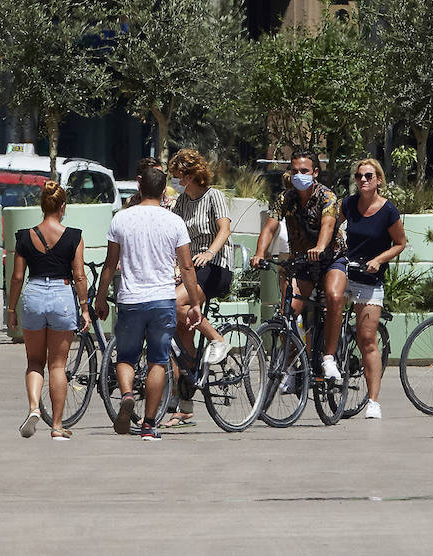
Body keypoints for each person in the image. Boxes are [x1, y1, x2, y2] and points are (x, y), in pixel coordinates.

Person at [94, 166, 202, 440]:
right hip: (162, 300)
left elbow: (110, 264)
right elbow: (187, 267)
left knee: (126, 357)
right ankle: (149, 425)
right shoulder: (174, 222)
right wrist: (195, 303)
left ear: (140, 188)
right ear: (163, 190)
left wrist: (100, 296)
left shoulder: (121, 219)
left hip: (130, 299)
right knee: (157, 360)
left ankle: (128, 394)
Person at [5, 180, 90, 440]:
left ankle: (33, 408)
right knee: (57, 365)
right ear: (62, 207)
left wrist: (11, 308)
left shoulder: (24, 236)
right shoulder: (74, 235)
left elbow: (18, 277)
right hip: (62, 296)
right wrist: (84, 308)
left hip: (33, 294)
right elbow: (79, 276)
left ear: (42, 206)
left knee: (34, 361)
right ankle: (57, 425)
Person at [164, 148, 237, 428]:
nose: (177, 181)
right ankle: (185, 403)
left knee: (174, 304)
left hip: (216, 266)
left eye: (180, 176)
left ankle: (219, 340)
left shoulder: (213, 196)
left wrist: (210, 252)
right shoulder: (182, 201)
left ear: (193, 174)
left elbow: (224, 229)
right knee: (181, 330)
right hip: (191, 269)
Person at [250, 149, 339, 374]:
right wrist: (260, 253)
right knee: (287, 313)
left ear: (315, 172)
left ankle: (329, 357)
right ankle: (289, 369)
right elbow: (271, 226)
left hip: (330, 259)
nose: (299, 175)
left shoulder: (327, 197)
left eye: (305, 171)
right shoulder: (285, 198)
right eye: (295, 170)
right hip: (303, 261)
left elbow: (328, 225)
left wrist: (319, 247)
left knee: (334, 296)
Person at [336, 159, 407, 418]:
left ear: (378, 179)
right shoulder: (348, 204)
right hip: (346, 272)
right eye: (358, 176)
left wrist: (379, 259)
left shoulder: (388, 210)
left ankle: (373, 401)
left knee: (367, 340)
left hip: (369, 278)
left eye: (368, 175)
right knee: (324, 317)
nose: (363, 180)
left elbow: (400, 243)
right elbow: (331, 226)